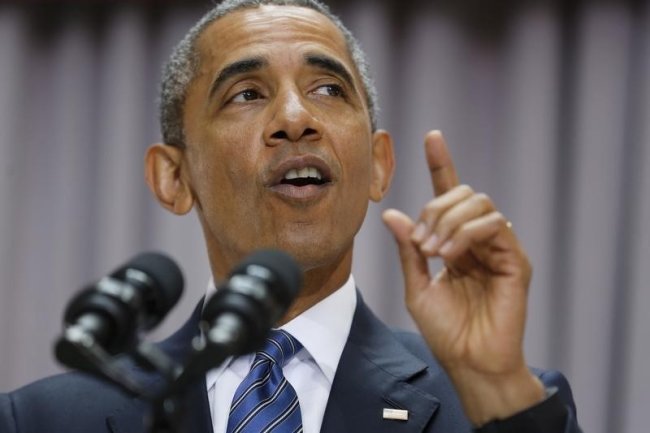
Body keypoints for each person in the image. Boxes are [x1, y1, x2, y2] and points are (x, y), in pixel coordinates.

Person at [0, 1, 582, 432]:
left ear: (379, 166)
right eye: (247, 94)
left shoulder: (500, 402)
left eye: (329, 88)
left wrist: (496, 391)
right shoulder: (44, 418)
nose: (295, 118)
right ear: (173, 178)